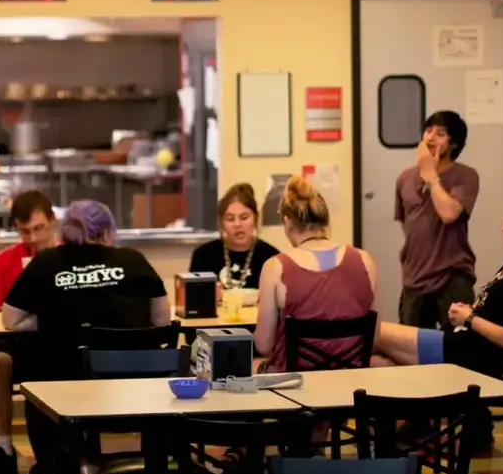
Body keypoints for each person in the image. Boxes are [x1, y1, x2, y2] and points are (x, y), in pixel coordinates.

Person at [1, 199, 170, 474]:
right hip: (134, 389)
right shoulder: (133, 260)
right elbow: (161, 320)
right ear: (106, 233)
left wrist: (54, 319)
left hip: (69, 389)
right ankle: (156, 471)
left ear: (65, 231)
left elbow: (10, 320)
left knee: (36, 384)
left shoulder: (47, 262)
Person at [374, 194, 503, 380]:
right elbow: (494, 310)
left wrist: (469, 318)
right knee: (374, 360)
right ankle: (411, 411)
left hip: (474, 355)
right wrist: (468, 311)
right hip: (461, 341)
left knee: (374, 332)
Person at [0, 189, 58, 474]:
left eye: (39, 229)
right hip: (17, 342)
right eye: (25, 232)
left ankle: (66, 457)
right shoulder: (4, 262)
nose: (33, 239)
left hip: (63, 341)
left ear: (53, 222)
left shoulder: (70, 258)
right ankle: (3, 451)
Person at [255, 175, 377, 372]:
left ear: (287, 221)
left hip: (296, 386)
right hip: (351, 381)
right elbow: (374, 338)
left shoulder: (275, 267)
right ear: (324, 218)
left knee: (250, 364)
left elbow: (263, 344)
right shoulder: (365, 260)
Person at [395, 110, 480, 331]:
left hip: (452, 276)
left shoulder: (466, 176)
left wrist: (431, 176)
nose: (431, 138)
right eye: (428, 131)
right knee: (411, 351)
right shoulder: (404, 178)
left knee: (458, 347)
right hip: (414, 277)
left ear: (454, 143)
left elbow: (449, 214)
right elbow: (408, 224)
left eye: (440, 133)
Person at [188, 183, 279, 290]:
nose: (237, 224)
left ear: (255, 218)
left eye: (244, 217)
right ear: (221, 222)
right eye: (230, 219)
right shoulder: (203, 256)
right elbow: (192, 302)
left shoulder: (272, 257)